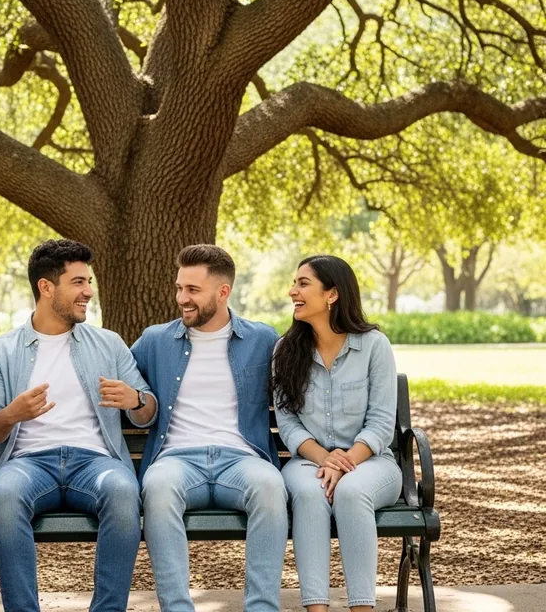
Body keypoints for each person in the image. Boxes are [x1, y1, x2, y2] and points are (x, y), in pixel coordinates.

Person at [0, 239, 156, 612]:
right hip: (28, 464)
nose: (88, 291)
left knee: (123, 491)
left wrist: (134, 401)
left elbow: (147, 412)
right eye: (78, 282)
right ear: (46, 287)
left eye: (88, 282)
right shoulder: (1, 351)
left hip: (95, 462)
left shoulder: (108, 343)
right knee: (4, 497)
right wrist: (12, 414)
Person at [131, 244, 288, 612]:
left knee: (270, 485)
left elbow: (296, 394)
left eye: (192, 290)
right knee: (157, 486)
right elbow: (124, 383)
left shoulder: (263, 339)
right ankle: (177, 608)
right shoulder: (155, 340)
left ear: (222, 292)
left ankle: (262, 607)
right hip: (177, 459)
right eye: (179, 288)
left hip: (241, 459)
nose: (181, 298)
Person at [271, 255, 402, 612]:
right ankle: (317, 608)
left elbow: (380, 422)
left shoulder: (374, 346)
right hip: (308, 461)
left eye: (302, 284)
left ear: (332, 294)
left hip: (371, 462)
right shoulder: (285, 351)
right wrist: (324, 458)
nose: (292, 291)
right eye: (294, 283)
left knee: (352, 491)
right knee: (310, 495)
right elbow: (288, 424)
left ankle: (362, 607)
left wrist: (343, 463)